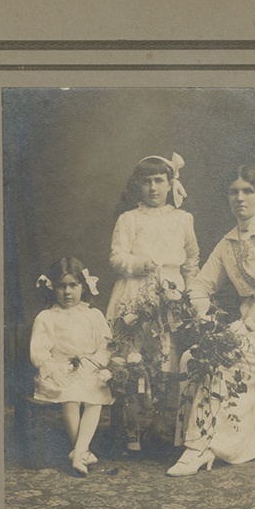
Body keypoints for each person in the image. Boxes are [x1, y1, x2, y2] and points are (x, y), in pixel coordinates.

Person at [167, 164, 255, 476]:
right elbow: (201, 286)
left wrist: (251, 325)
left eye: (248, 191)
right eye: (233, 191)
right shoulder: (228, 242)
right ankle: (212, 441)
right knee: (193, 357)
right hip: (243, 326)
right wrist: (206, 320)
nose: (240, 198)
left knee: (223, 361)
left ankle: (201, 448)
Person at [106, 152, 200, 449]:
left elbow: (192, 260)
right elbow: (116, 257)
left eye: (159, 181)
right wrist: (139, 264)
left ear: (171, 183)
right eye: (146, 182)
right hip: (135, 293)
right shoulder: (129, 219)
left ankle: (163, 426)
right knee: (133, 359)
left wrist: (193, 295)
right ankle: (131, 428)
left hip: (171, 295)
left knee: (168, 360)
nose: (153, 188)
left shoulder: (183, 219)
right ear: (138, 186)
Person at [30, 257, 113, 476]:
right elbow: (39, 351)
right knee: (71, 394)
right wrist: (53, 371)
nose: (67, 292)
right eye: (61, 286)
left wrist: (95, 365)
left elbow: (105, 346)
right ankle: (82, 451)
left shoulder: (93, 316)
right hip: (59, 370)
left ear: (83, 287)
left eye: (73, 285)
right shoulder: (47, 317)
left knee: (94, 395)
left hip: (88, 368)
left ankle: (77, 452)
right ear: (52, 288)